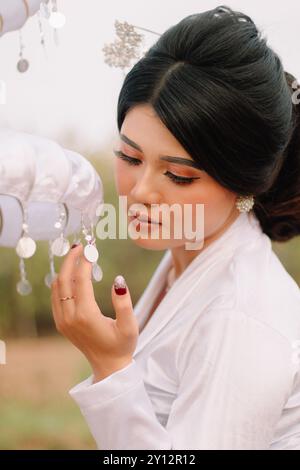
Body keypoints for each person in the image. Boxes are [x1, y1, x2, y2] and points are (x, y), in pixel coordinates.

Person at [50, 5, 300, 449]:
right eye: (129, 157)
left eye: (179, 175)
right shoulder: (186, 257)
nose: (141, 191)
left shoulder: (240, 320)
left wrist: (110, 367)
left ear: (241, 182)